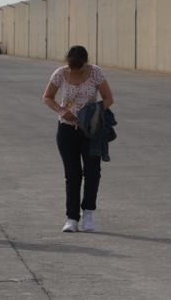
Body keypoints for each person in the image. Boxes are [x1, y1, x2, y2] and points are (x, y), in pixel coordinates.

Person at [42, 45, 115, 233]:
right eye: (71, 67)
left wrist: (95, 111)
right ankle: (71, 217)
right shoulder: (60, 73)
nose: (75, 71)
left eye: (79, 68)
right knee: (72, 174)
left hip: (91, 131)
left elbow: (108, 98)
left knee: (92, 172)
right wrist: (61, 110)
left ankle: (88, 213)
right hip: (66, 130)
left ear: (85, 63)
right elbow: (47, 97)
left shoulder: (96, 72)